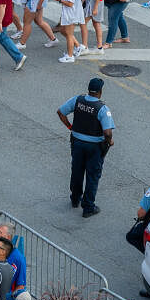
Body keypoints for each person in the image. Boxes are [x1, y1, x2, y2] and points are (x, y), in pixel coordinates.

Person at [56, 77, 114, 218]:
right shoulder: (102, 108)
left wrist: (71, 127)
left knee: (77, 170)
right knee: (92, 176)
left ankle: (75, 199)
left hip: (77, 143)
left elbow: (61, 112)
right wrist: (109, 141)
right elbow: (107, 132)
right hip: (94, 147)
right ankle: (88, 207)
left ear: (89, 90)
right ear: (100, 92)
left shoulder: (78, 100)